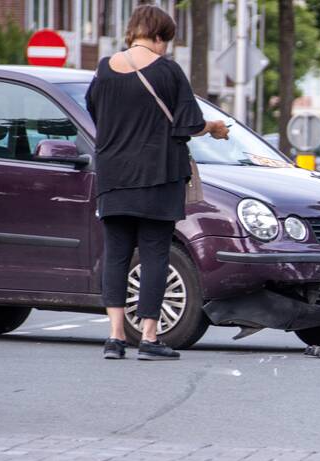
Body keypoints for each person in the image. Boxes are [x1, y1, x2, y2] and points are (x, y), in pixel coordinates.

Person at [86, 4, 228, 360]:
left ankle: (115, 338)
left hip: (113, 176)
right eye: (167, 40)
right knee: (153, 256)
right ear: (160, 36)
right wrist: (214, 127)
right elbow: (190, 124)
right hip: (158, 177)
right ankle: (149, 336)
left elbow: (94, 112)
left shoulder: (104, 69)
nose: (167, 48)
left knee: (116, 255)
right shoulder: (167, 71)